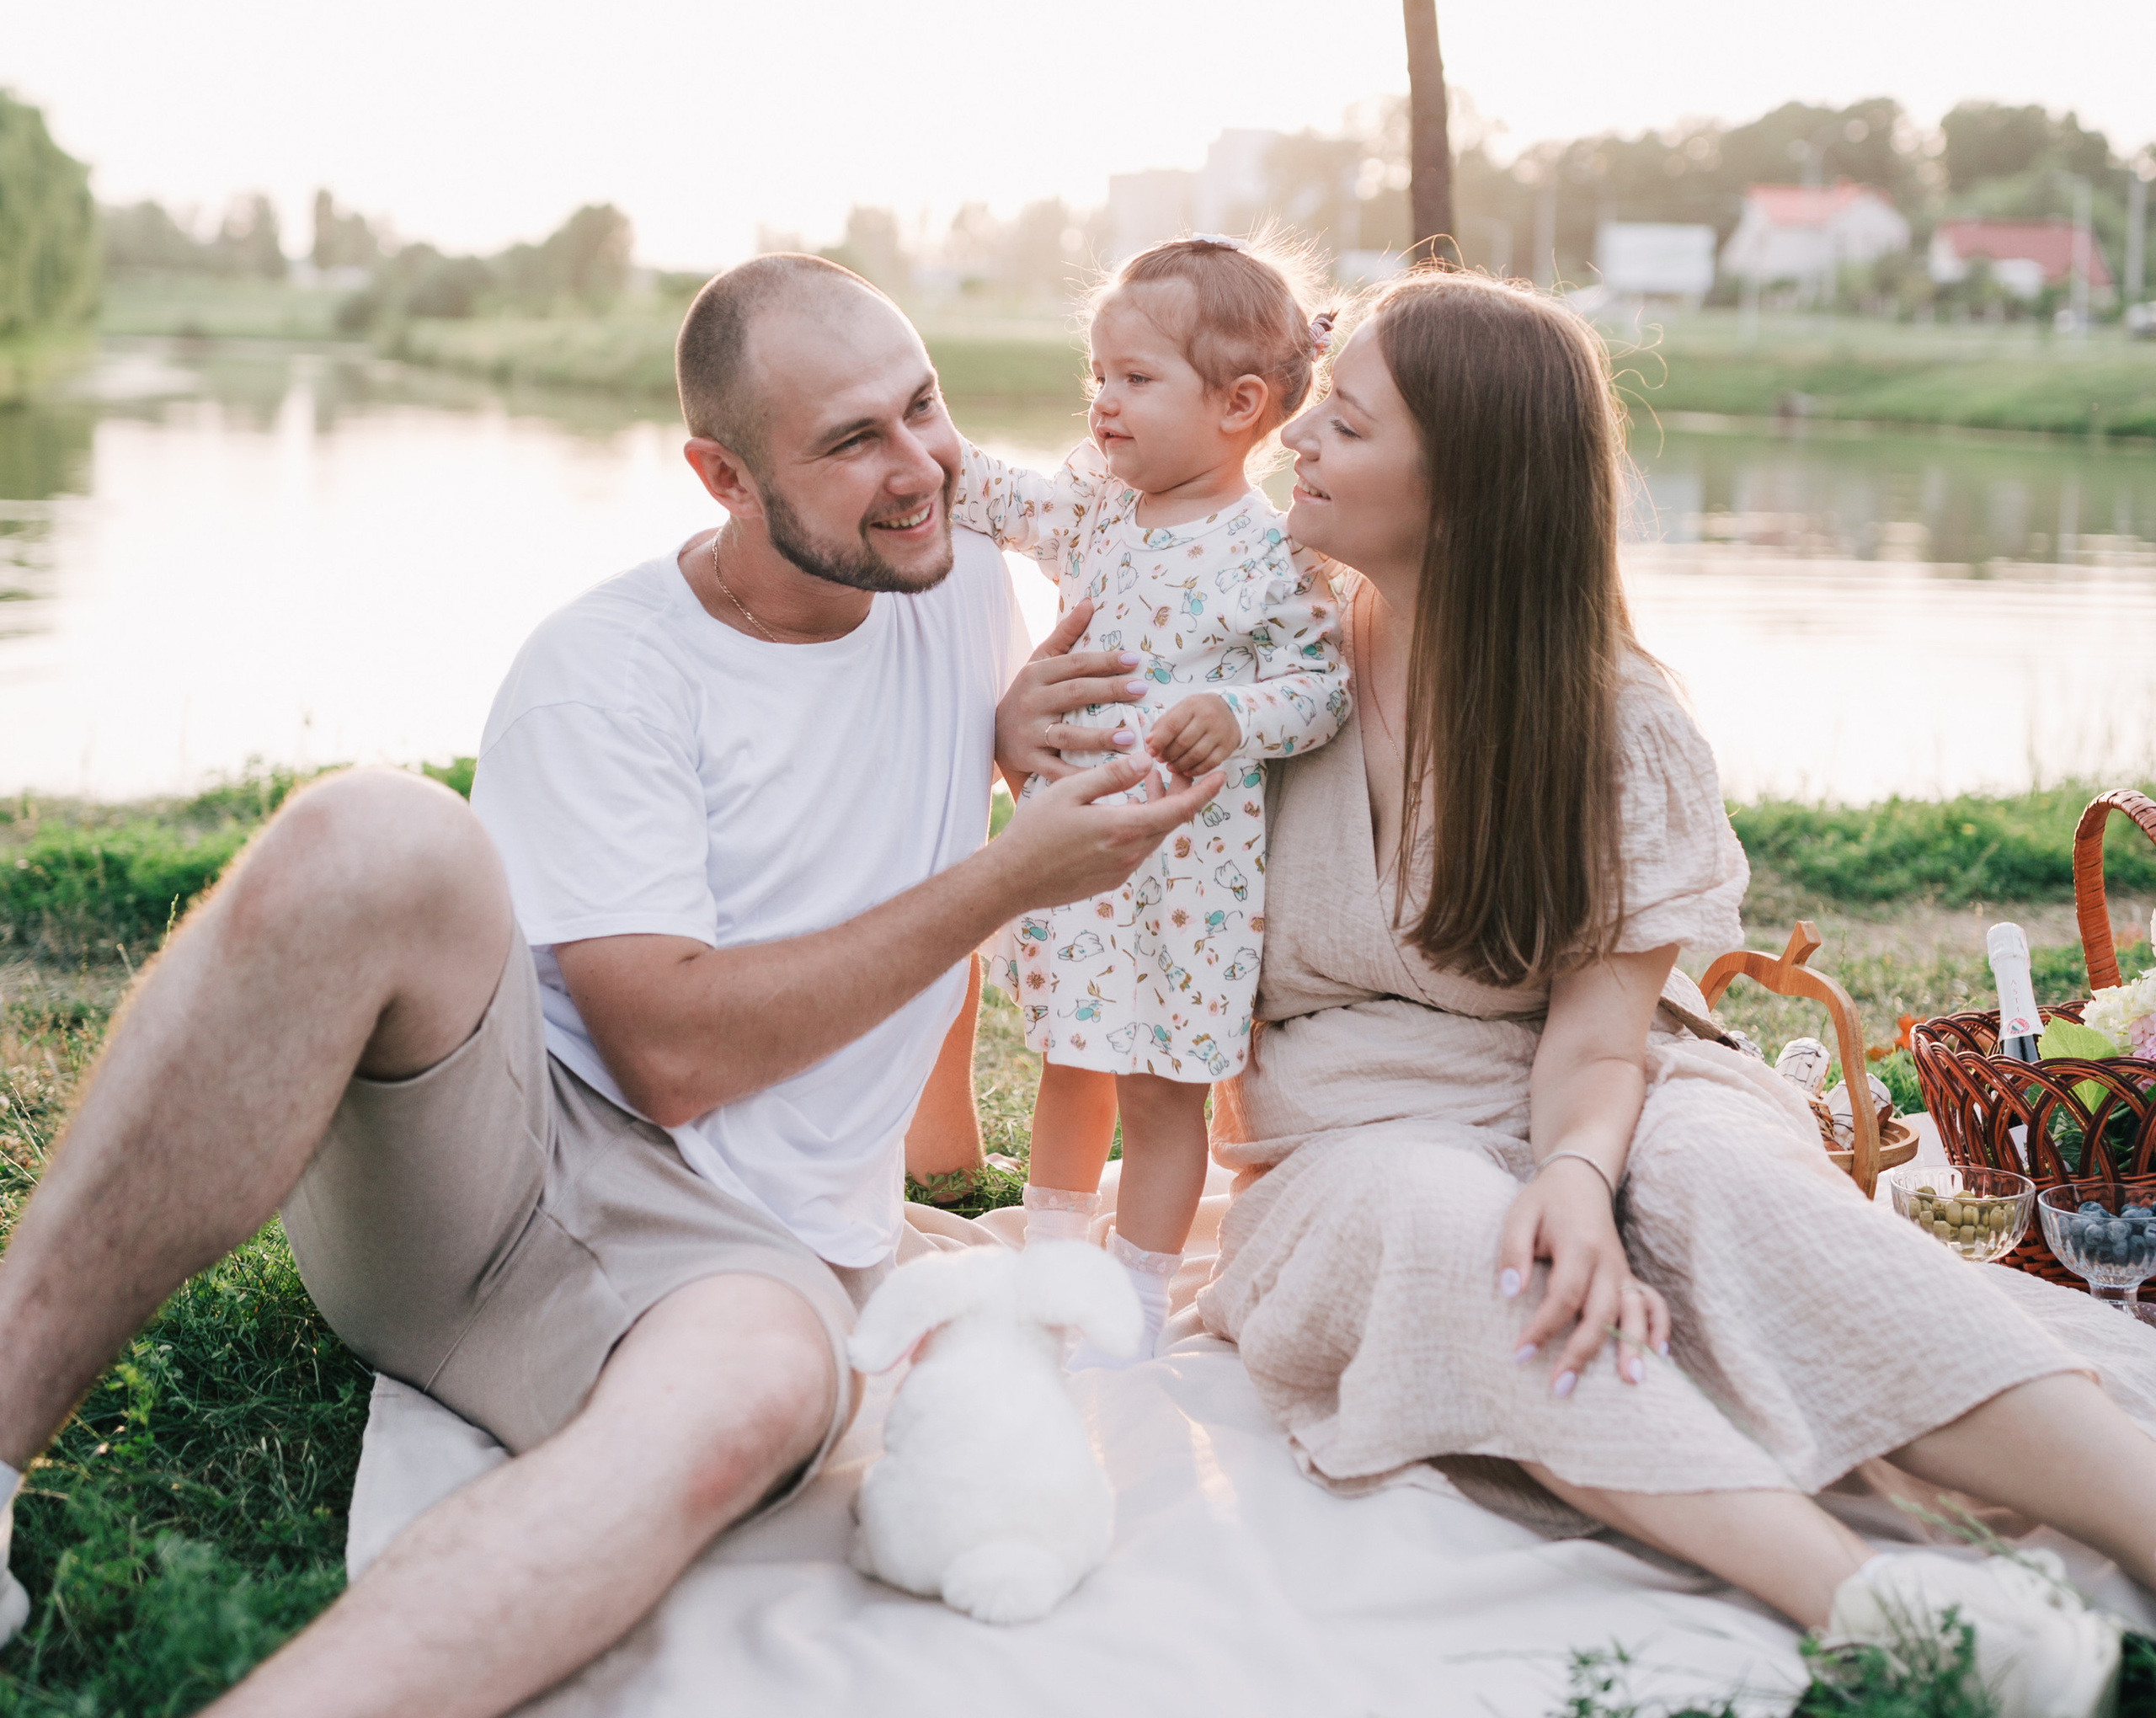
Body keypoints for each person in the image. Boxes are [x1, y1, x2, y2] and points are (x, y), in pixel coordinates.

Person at [0, 253, 1220, 1718]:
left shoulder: (952, 584)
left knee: (758, 1397)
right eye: (851, 442)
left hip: (743, 1266)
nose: (920, 470)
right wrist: (1009, 873)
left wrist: (1010, 742)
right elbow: (672, 1056)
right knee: (372, 830)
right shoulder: (608, 669)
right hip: (484, 1180)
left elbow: (899, 792)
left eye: (925, 405)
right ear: (720, 473)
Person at [1062, 269, 2148, 1717]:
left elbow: (1597, 1042)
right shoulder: (1265, 641)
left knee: (1737, 1196)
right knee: (1460, 1236)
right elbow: (1074, 687)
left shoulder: (1615, 721)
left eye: (1347, 421)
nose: (1298, 438)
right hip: (1350, 1133)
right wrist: (1026, 712)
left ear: (1463, 486)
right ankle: (1873, 1603)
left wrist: (1581, 1171)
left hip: (1617, 1076)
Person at [954, 237, 1349, 1361]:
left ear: (1240, 406)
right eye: (1097, 376)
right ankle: (1049, 1274)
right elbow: (994, 494)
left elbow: (1320, 689)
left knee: (1164, 1087)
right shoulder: (1093, 514)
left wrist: (1237, 715)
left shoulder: (1276, 556)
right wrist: (922, 436)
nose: (1103, 402)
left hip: (1195, 882)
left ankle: (1130, 1302)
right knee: (1072, 1065)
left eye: (1135, 379)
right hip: (1078, 860)